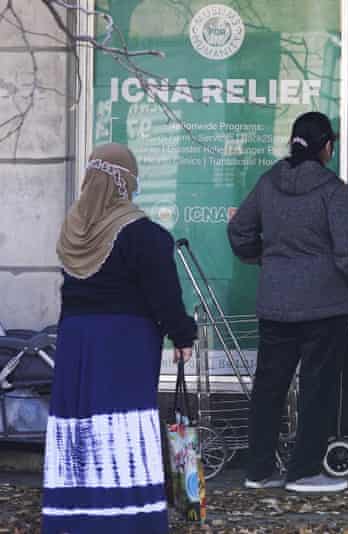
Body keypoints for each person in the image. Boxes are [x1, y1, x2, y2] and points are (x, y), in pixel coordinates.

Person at [43, 143, 196, 534]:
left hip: (76, 341)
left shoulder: (74, 230)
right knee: (121, 429)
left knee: (81, 428)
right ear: (125, 184)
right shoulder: (143, 234)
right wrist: (182, 335)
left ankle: (75, 518)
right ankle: (128, 519)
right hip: (123, 342)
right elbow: (164, 295)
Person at [228, 112, 348, 493]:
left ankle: (258, 470)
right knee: (316, 389)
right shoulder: (332, 189)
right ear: (326, 147)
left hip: (275, 302)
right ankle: (304, 471)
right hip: (323, 305)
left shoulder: (269, 182)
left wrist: (264, 256)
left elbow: (238, 229)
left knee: (269, 387)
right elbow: (346, 252)